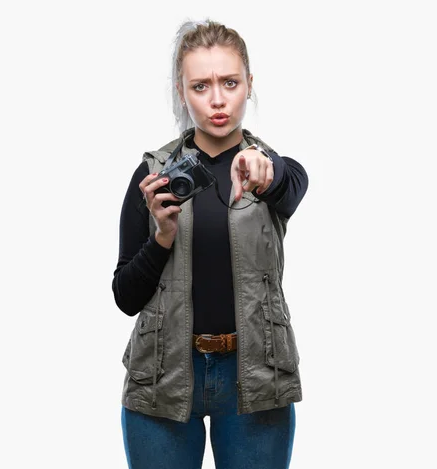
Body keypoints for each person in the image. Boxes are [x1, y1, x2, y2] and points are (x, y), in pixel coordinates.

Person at [112, 18, 309, 469]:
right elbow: (125, 297)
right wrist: (162, 237)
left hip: (256, 377)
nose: (217, 99)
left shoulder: (274, 171)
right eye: (201, 86)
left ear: (249, 85)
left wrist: (266, 169)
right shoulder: (154, 176)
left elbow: (290, 185)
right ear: (182, 92)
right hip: (162, 375)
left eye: (230, 82)